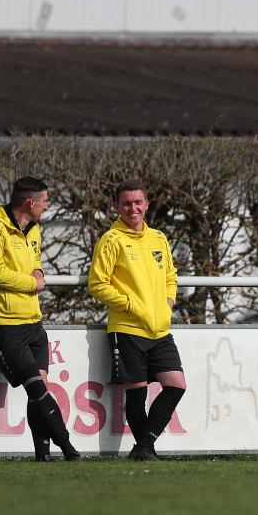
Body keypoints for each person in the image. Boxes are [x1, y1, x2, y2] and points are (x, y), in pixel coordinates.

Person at [88, 180, 185, 461]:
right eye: (127, 203)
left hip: (160, 329)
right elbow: (98, 284)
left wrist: (167, 305)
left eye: (138, 202)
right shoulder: (111, 239)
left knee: (176, 385)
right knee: (137, 395)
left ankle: (143, 448)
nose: (133, 208)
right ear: (118, 207)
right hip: (127, 328)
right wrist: (130, 304)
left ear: (146, 205)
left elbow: (170, 277)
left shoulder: (159, 238)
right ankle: (145, 450)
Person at [0, 177, 81, 461]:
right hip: (5, 323)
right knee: (38, 389)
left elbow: (35, 264)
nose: (47, 205)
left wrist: (39, 274)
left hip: (33, 322)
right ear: (31, 202)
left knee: (36, 392)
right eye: (44, 200)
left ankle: (43, 456)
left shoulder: (35, 229)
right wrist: (32, 284)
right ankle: (70, 450)